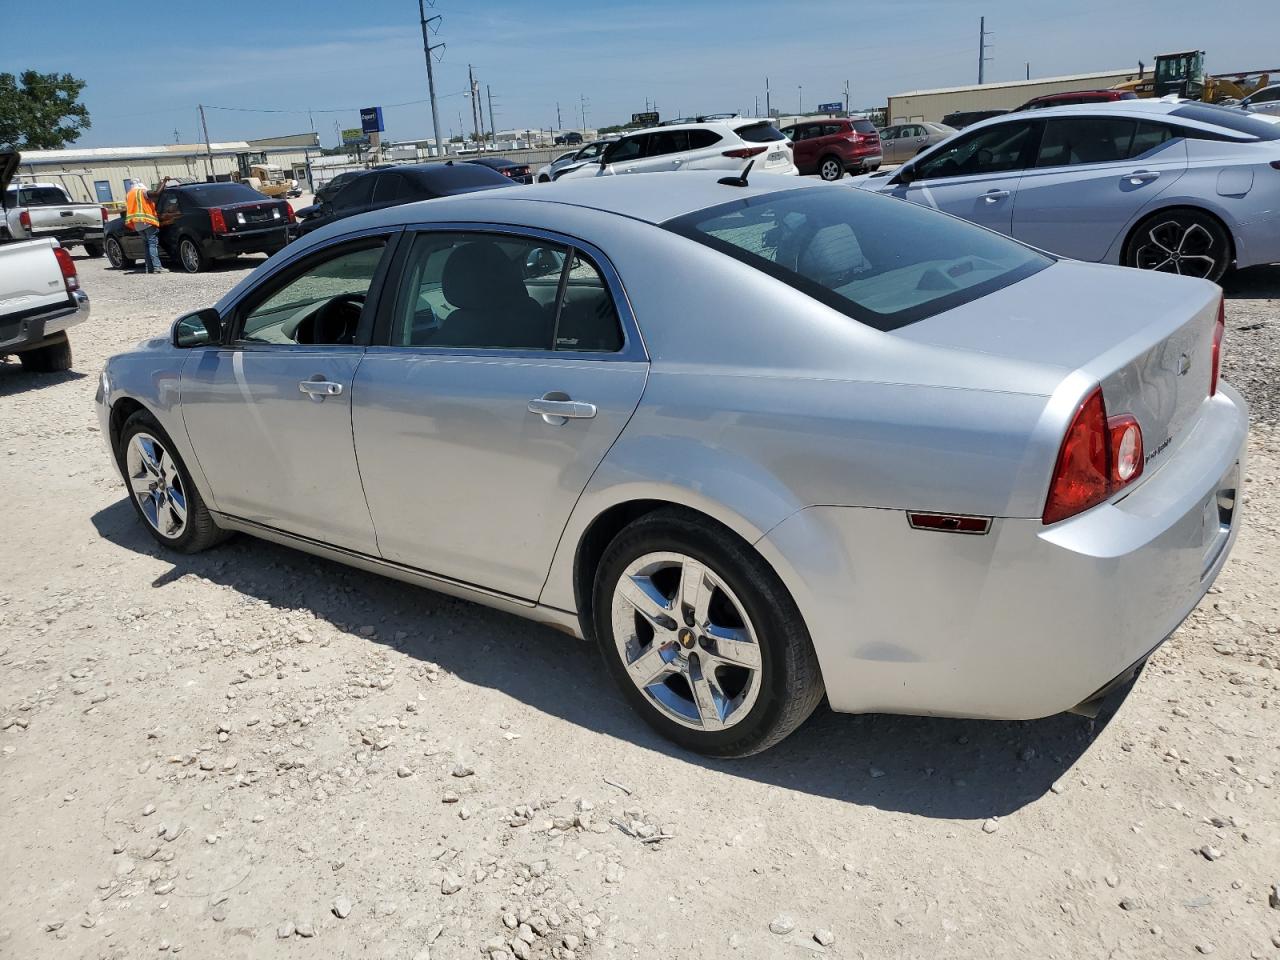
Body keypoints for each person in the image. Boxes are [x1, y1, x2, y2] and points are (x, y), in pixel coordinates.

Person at [124, 178, 163, 273]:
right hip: (147, 221)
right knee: (152, 244)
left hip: (137, 224)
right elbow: (156, 194)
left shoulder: (129, 194)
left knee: (146, 245)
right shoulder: (142, 192)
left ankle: (149, 268)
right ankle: (157, 267)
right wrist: (163, 182)